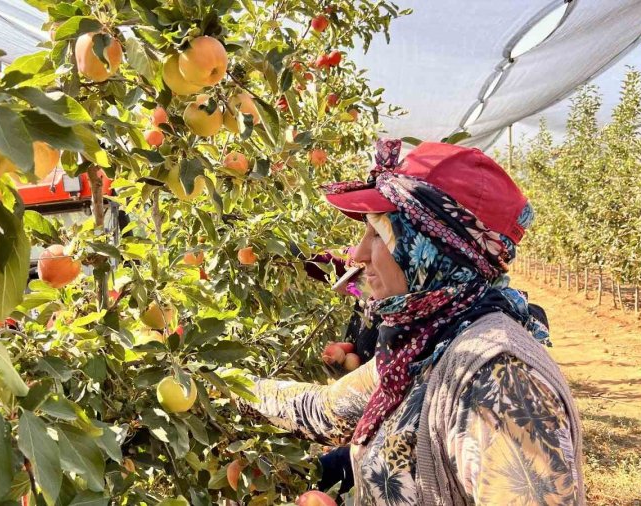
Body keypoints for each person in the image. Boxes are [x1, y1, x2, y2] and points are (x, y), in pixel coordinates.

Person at [236, 140, 583, 504]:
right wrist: (221, 384)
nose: (358, 254)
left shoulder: (499, 382)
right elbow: (324, 410)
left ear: (432, 249)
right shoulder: (428, 343)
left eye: (379, 233)